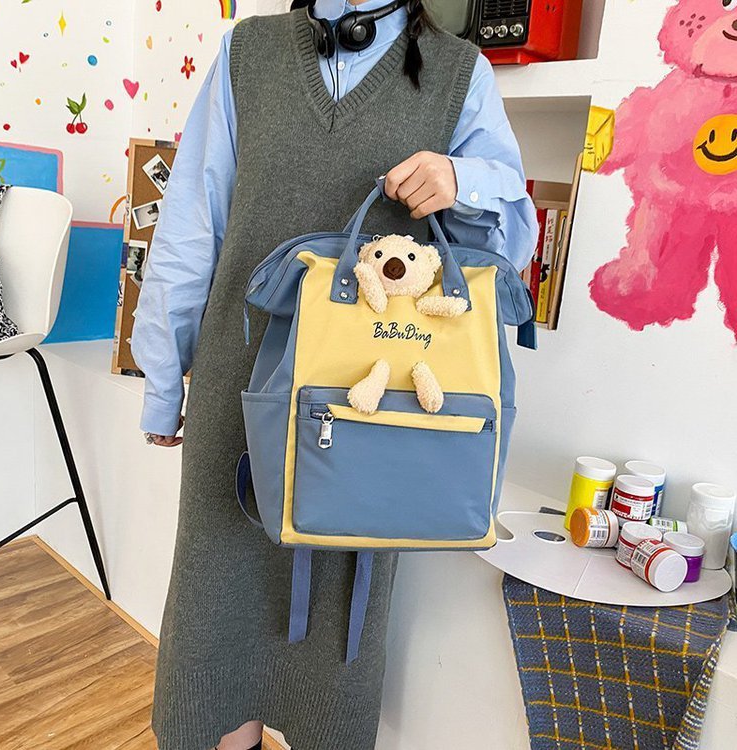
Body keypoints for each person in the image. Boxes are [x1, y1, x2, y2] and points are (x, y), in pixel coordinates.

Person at [130, 1, 538, 748]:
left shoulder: (460, 73)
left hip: (372, 408)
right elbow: (192, 224)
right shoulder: (248, 53)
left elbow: (507, 249)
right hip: (239, 388)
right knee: (216, 622)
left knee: (338, 640)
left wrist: (462, 179)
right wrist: (163, 378)